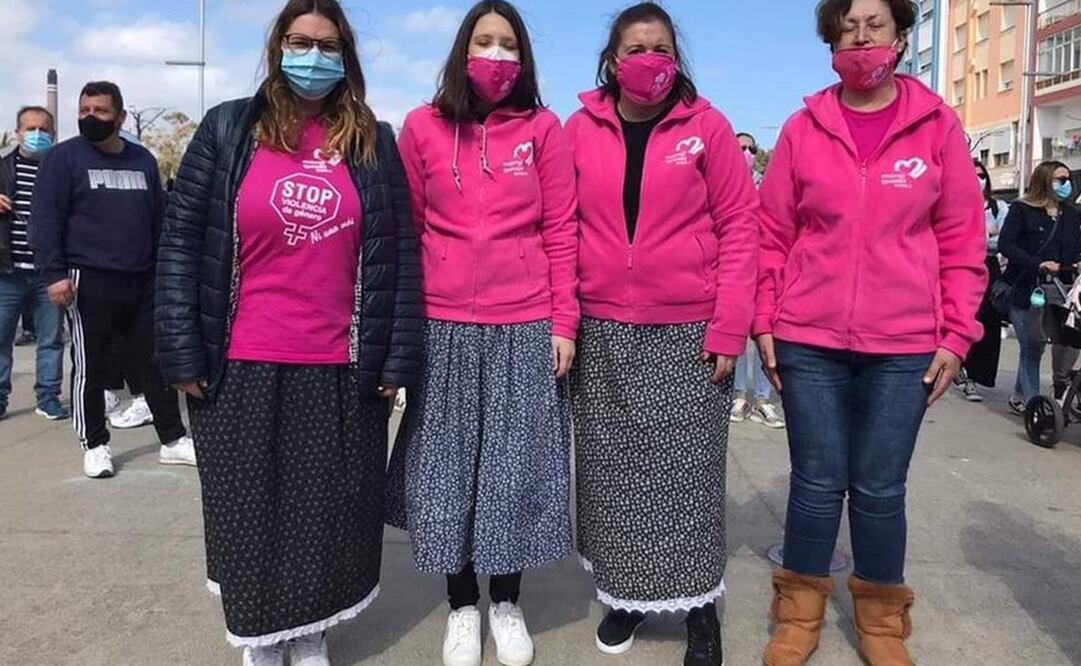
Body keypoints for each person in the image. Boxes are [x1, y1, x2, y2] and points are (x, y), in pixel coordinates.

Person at [156, 0, 423, 662]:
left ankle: (311, 632)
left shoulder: (372, 140)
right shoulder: (227, 130)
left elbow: (400, 252)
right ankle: (259, 637)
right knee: (249, 516)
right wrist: (179, 346)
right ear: (277, 48)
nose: (312, 57)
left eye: (327, 45)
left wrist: (396, 358)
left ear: (346, 57)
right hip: (239, 360)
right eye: (300, 42)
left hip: (341, 363)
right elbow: (182, 243)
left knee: (330, 518)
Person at [755, 2, 987, 665]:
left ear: (899, 36)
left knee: (881, 488)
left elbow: (961, 241)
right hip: (808, 337)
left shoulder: (935, 127)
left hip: (904, 345)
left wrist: (954, 336)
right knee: (816, 481)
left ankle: (882, 623)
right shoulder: (803, 129)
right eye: (846, 29)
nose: (860, 39)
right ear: (831, 41)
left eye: (873, 26)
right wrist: (764, 320)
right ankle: (796, 614)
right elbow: (772, 234)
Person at [566, 4, 758, 665]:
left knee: (688, 479)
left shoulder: (705, 127)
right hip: (602, 328)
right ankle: (624, 597)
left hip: (688, 329)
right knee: (611, 479)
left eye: (660, 47)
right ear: (611, 61)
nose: (648, 59)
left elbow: (739, 227)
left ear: (675, 57)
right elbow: (560, 230)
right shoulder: (578, 128)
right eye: (634, 48)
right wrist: (565, 318)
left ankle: (698, 609)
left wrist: (730, 324)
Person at [387, 3, 577, 665]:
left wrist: (563, 322)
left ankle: (507, 601)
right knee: (447, 473)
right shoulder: (421, 127)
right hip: (441, 325)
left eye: (507, 46)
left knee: (513, 468)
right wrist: (401, 328)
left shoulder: (543, 129)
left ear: (522, 60)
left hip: (523, 321)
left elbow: (561, 231)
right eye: (483, 42)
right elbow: (406, 233)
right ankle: (463, 605)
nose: (495, 57)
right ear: (461, 52)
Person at [28, 81, 194, 478]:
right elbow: (45, 219)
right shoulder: (63, 159)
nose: (90, 118)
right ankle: (95, 444)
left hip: (142, 278)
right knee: (91, 366)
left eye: (100, 111)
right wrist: (54, 275)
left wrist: (164, 272)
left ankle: (172, 438)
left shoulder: (142, 161)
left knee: (154, 363)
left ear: (119, 117)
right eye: (84, 110)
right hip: (87, 278)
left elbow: (159, 219)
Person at [0, 106, 67, 422]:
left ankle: (48, 397)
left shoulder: (63, 170)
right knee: (1, 339)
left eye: (43, 130)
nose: (36, 135)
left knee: (51, 340)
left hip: (48, 274)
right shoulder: (1, 169)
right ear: (17, 133)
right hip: (6, 272)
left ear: (53, 135)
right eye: (29, 128)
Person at [998, 161, 1081, 414]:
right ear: (1045, 180)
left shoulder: (1070, 214)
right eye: (1060, 179)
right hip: (1026, 286)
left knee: (1061, 341)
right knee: (1032, 345)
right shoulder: (1022, 209)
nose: (1066, 184)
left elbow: (1074, 246)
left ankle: (1021, 395)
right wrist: (1038, 263)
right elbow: (1006, 245)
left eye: (1068, 179)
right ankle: (1035, 406)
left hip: (1059, 289)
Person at [731, 130, 784, 429]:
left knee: (766, 337)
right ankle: (739, 395)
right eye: (741, 148)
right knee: (738, 338)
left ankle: (763, 400)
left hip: (764, 273)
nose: (747, 153)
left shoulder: (767, 184)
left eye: (752, 148)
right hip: (738, 273)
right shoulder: (725, 183)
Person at [953, 160, 1008, 402]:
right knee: (965, 317)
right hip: (963, 264)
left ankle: (977, 374)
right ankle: (963, 372)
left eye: (982, 174)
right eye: (973, 174)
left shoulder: (999, 207)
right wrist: (987, 235)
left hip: (990, 266)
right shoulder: (957, 203)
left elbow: (1003, 241)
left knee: (989, 322)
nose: (978, 179)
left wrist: (982, 237)